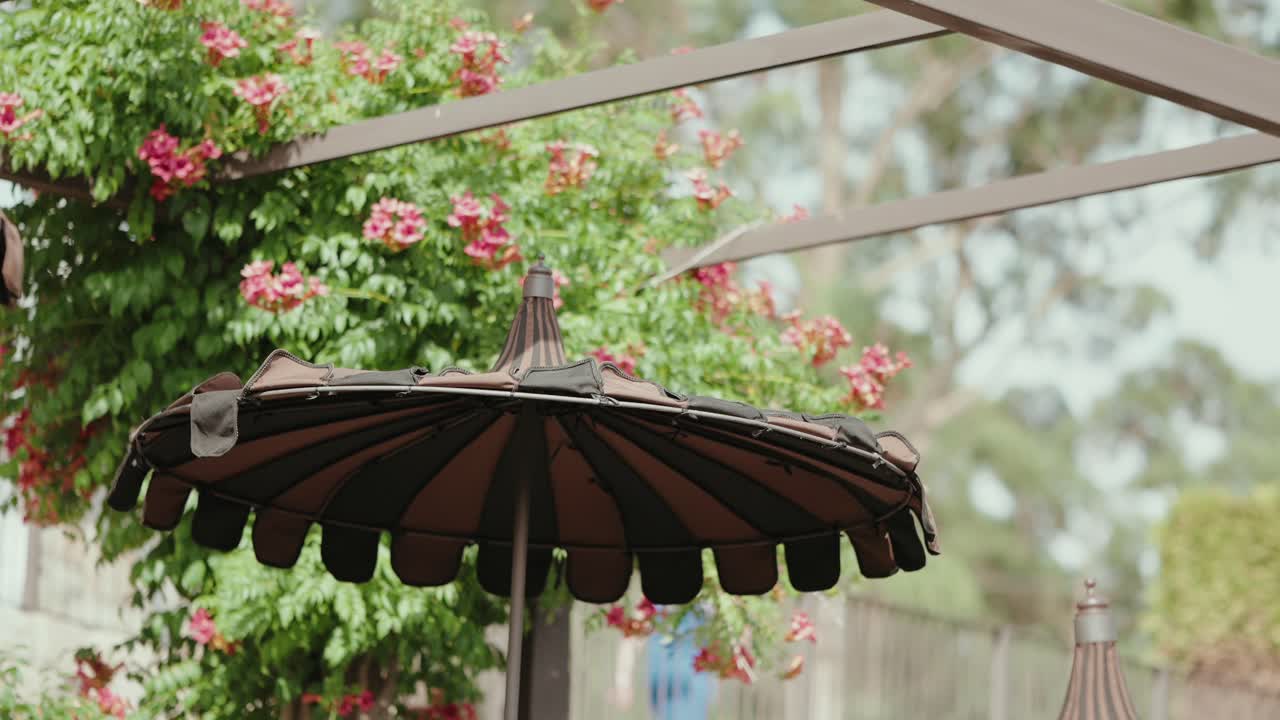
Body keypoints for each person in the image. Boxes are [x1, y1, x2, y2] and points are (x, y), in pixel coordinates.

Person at [610, 608, 714, 720]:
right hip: (666, 690)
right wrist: (622, 682)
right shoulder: (652, 604)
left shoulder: (707, 600)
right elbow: (630, 639)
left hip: (696, 690)